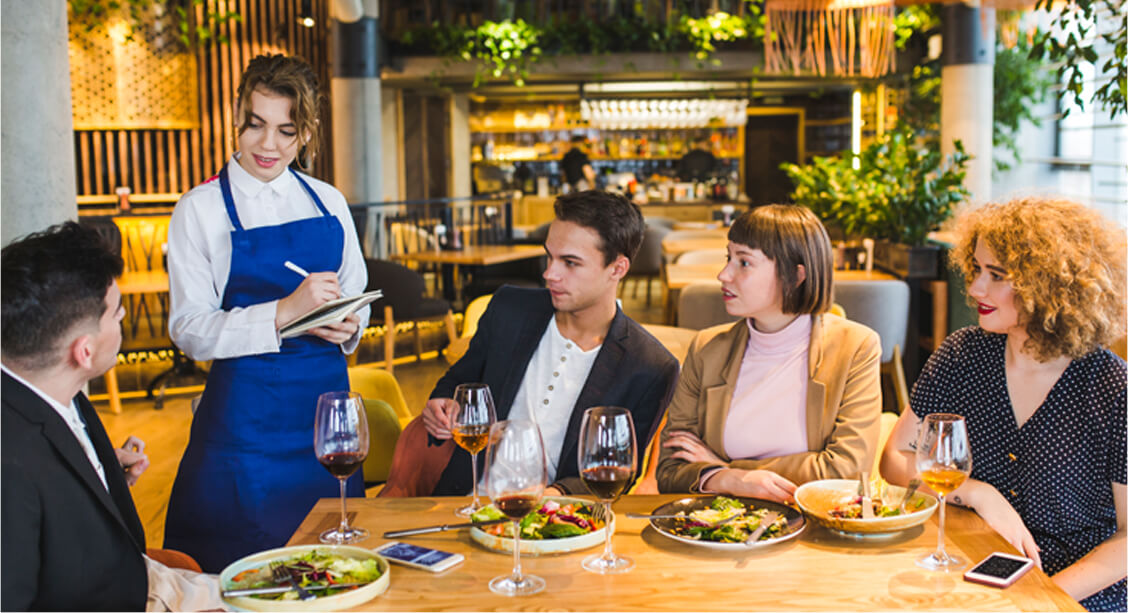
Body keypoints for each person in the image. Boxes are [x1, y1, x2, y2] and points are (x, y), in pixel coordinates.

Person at [163, 54, 369, 571]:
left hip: (326, 423)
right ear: (238, 116)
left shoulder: (329, 201)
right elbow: (188, 329)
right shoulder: (200, 208)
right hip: (243, 428)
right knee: (241, 572)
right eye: (255, 124)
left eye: (286, 130)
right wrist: (283, 311)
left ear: (306, 133)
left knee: (332, 569)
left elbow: (356, 292)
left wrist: (349, 324)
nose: (268, 144)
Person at [880, 198, 1126, 611]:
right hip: (974, 576)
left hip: (1076, 595)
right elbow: (893, 459)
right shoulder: (962, 356)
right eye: (976, 269)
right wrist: (978, 493)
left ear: (1049, 285)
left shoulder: (1112, 388)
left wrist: (1043, 598)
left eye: (996, 276)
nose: (976, 288)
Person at [1, 222, 222, 611]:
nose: (121, 323)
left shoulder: (53, 386)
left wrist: (96, 473)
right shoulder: (9, 467)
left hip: (136, 577)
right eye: (118, 316)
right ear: (84, 351)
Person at [415, 190, 680, 496]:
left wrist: (553, 498)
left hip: (558, 516)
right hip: (463, 503)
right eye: (549, 257)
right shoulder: (509, 310)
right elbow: (457, 382)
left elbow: (619, 469)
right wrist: (440, 405)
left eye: (570, 262)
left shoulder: (650, 366)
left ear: (617, 269)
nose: (549, 274)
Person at [656, 205, 882, 501]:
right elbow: (670, 471)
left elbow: (846, 472)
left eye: (744, 262)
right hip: (721, 523)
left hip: (816, 521)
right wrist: (728, 478)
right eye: (728, 258)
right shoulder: (707, 349)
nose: (723, 274)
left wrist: (728, 473)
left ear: (796, 276)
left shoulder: (856, 347)